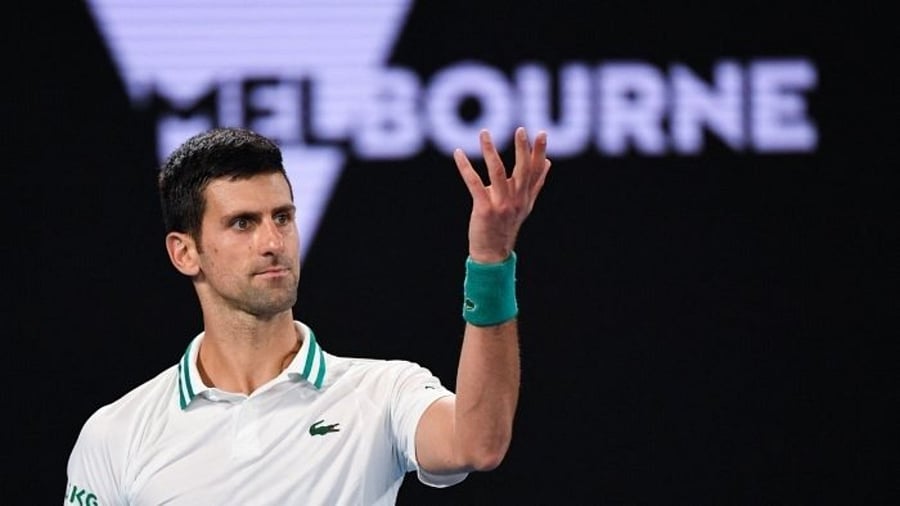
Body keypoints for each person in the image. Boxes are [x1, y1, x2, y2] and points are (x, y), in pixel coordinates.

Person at [64, 125, 551, 505]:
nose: (273, 243)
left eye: (283, 217)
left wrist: (490, 261)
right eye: (242, 224)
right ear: (185, 253)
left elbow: (478, 443)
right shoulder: (116, 434)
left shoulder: (382, 394)